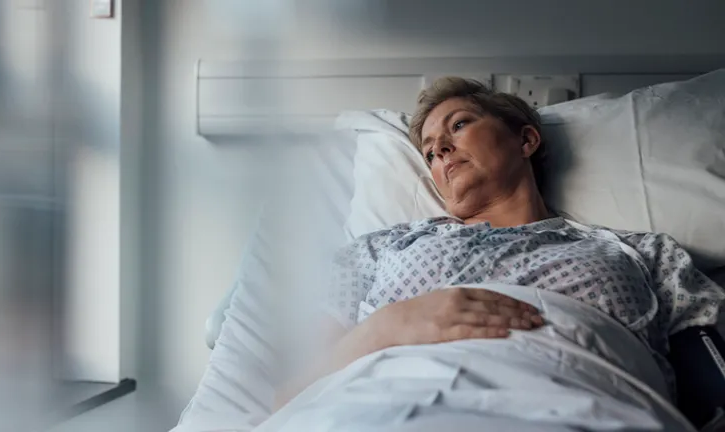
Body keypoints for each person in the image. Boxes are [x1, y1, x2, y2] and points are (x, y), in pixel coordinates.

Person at [272, 77, 725, 428]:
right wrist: (388, 326)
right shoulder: (378, 250)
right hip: (384, 406)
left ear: (526, 140)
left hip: (587, 401)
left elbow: (711, 383)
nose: (441, 149)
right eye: (429, 152)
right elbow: (290, 396)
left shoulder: (641, 252)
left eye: (460, 125)